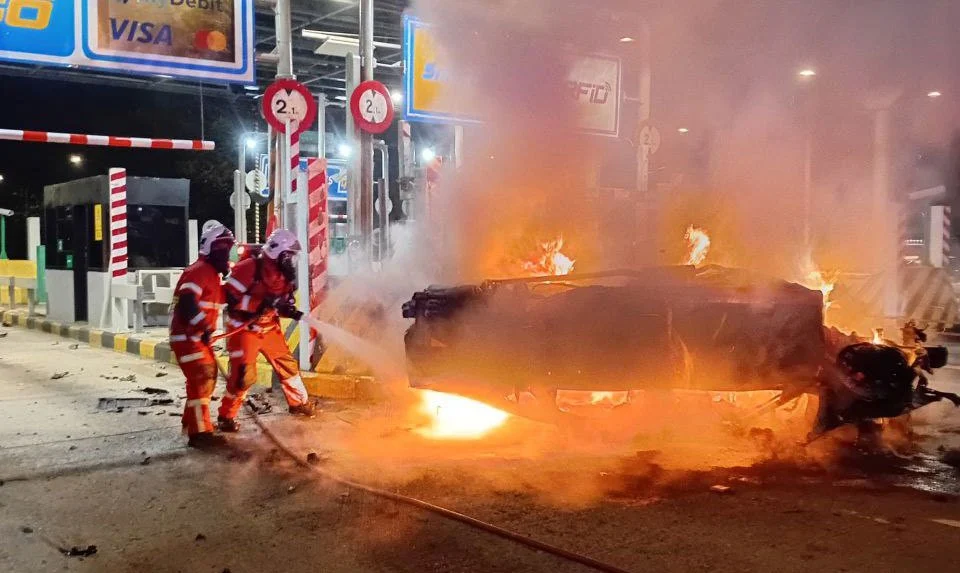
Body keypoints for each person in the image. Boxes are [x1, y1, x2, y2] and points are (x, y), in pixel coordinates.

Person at [217, 228, 315, 432]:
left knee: (288, 366)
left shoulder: (285, 276)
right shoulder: (248, 268)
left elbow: (282, 301)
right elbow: (229, 297)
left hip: (269, 327)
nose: (292, 262)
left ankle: (299, 403)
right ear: (278, 253)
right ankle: (226, 416)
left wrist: (287, 308)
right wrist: (257, 304)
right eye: (290, 256)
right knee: (243, 376)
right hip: (244, 330)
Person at [170, 220, 235, 448]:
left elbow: (221, 299)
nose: (226, 253)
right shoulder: (199, 272)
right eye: (222, 248)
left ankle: (192, 422)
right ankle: (200, 434)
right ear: (209, 248)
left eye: (228, 248)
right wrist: (204, 328)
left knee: (202, 379)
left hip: (194, 337)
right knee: (203, 377)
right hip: (188, 337)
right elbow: (187, 302)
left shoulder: (211, 276)